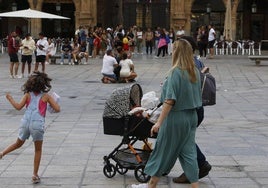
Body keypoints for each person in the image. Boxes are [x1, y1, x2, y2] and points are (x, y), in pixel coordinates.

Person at [132, 39, 202, 188]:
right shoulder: (195, 71)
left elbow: (169, 101)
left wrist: (158, 122)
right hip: (191, 117)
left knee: (161, 152)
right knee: (189, 154)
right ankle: (196, 185)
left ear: (176, 52)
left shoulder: (175, 73)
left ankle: (151, 185)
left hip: (176, 118)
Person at [0, 71, 60, 184]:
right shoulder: (46, 96)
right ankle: (35, 174)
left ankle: (2, 153)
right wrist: (54, 101)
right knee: (37, 149)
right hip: (37, 124)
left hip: (25, 122)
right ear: (44, 84)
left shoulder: (27, 95)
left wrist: (10, 99)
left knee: (18, 143)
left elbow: (18, 107)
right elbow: (57, 109)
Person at [172, 35, 212, 184]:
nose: (174, 48)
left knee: (184, 140)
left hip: (190, 108)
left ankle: (199, 165)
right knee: (184, 139)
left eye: (176, 45)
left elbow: (187, 86)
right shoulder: (196, 61)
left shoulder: (189, 64)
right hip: (195, 106)